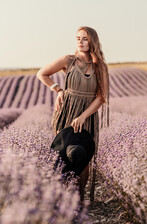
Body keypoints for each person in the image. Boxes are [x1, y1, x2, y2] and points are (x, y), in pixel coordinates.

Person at [36, 26, 109, 202]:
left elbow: (101, 97)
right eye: (78, 38)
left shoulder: (100, 67)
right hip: (66, 113)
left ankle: (78, 199)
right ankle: (61, 198)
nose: (80, 42)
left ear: (92, 41)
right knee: (64, 155)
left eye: (84, 38)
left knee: (83, 158)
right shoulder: (68, 60)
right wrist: (58, 90)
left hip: (88, 116)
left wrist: (84, 116)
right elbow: (42, 74)